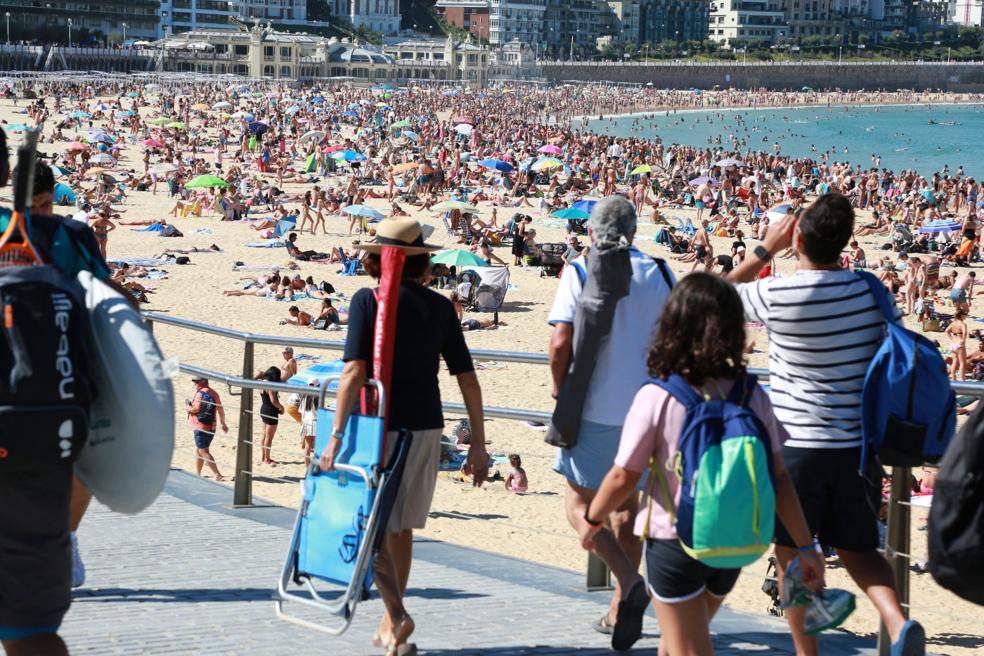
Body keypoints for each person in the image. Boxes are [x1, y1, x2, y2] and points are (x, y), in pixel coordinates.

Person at [577, 273, 824, 656]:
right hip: (734, 541)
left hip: (675, 541)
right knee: (679, 642)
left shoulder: (658, 396)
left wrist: (593, 520)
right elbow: (779, 478)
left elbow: (624, 475)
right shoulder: (751, 394)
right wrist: (806, 546)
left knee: (689, 647)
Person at [727, 193, 925, 656]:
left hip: (795, 447)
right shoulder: (871, 291)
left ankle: (807, 652)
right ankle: (898, 624)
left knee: (790, 551)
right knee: (859, 550)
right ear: (846, 241)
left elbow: (707, 297)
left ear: (797, 239)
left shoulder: (776, 293)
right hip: (856, 444)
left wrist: (764, 250)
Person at [320, 218, 489, 656]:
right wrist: (479, 443)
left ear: (380, 260)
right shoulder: (440, 307)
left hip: (378, 427)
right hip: (427, 426)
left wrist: (335, 434)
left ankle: (396, 614)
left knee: (368, 523)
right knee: (401, 528)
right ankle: (391, 628)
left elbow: (354, 372)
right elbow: (467, 378)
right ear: (421, 262)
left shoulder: (368, 300)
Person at [0, 150, 120, 656]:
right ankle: (62, 539)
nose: (41, 213)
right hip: (42, 409)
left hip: (44, 403)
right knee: (31, 630)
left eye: (47, 204)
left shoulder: (64, 234)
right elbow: (112, 306)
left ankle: (64, 538)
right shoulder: (67, 236)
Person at [548, 196, 674, 649]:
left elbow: (560, 342)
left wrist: (560, 391)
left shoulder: (581, 270)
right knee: (627, 509)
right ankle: (621, 606)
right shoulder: (660, 272)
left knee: (579, 505)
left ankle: (627, 580)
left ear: (591, 231)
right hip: (649, 409)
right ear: (635, 230)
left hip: (595, 407)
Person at [187, 377, 228, 481]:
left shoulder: (200, 394)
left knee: (203, 451)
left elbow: (195, 409)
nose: (195, 384)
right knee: (200, 450)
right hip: (211, 426)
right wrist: (223, 423)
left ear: (202, 382)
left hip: (200, 426)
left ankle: (217, 474)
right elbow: (220, 409)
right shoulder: (214, 393)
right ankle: (198, 473)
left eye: (196, 382)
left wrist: (188, 408)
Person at [257, 367, 284, 466]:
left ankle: (263, 457)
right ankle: (267, 459)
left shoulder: (261, 383)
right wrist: (281, 407)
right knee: (269, 437)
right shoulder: (270, 386)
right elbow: (274, 401)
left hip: (264, 409)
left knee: (264, 435)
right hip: (271, 412)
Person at [947, 308, 969, 381]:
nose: (966, 316)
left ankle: (953, 378)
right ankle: (962, 379)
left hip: (953, 343)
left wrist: (951, 338)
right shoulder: (963, 324)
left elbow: (946, 331)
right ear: (961, 315)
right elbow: (965, 332)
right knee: (962, 362)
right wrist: (963, 340)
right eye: (965, 314)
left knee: (954, 361)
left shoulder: (953, 323)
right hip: (959, 344)